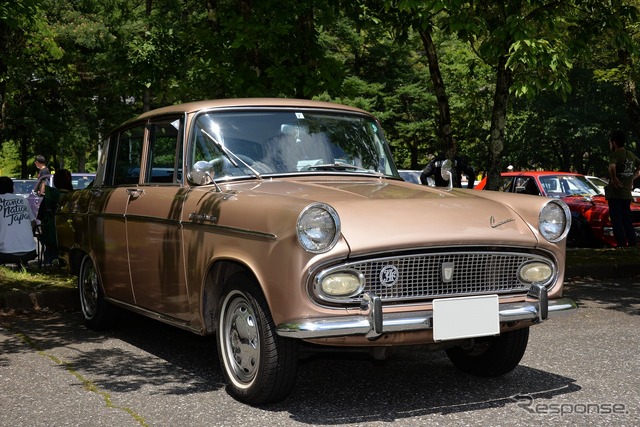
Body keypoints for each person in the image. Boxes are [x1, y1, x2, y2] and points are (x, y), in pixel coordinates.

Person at [605, 130, 640, 247]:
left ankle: (621, 246)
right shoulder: (631, 155)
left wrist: (614, 178)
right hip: (626, 195)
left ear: (614, 143)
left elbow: (611, 167)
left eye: (610, 142)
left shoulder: (615, 155)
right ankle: (632, 245)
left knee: (617, 222)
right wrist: (632, 178)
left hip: (615, 194)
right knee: (627, 221)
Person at [37, 169, 73, 265]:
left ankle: (51, 264)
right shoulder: (74, 197)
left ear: (56, 182)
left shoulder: (49, 196)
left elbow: (40, 217)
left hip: (52, 237)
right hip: (71, 238)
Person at [0, 176, 37, 267]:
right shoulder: (23, 200)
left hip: (5, 254)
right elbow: (33, 223)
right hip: (30, 251)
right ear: (12, 188)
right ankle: (23, 263)